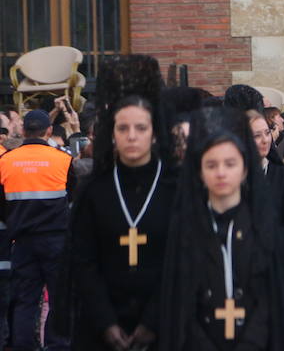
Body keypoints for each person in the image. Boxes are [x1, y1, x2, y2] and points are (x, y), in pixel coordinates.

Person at [159, 107, 284, 350]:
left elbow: (269, 299)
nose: (221, 172)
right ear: (199, 171)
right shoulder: (186, 227)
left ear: (244, 170)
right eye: (211, 165)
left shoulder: (260, 224)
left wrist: (250, 344)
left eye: (230, 164)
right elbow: (180, 302)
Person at [65, 95, 177, 350]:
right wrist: (106, 322)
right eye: (123, 128)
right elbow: (83, 260)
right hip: (102, 322)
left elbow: (183, 259)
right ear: (112, 134)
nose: (132, 136)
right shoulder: (94, 189)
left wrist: (152, 321)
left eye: (141, 128)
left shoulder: (175, 188)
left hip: (164, 320)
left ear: (155, 133)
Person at [0, 109, 76, 350]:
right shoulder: (63, 159)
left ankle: (23, 346)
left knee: (25, 300)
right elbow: (72, 195)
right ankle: (57, 345)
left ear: (23, 131)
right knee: (59, 298)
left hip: (22, 241)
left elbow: (1, 203)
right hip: (57, 240)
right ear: (49, 131)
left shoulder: (6, 161)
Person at [247, 110, 284, 307]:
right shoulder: (236, 178)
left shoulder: (282, 176)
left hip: (278, 266)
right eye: (256, 135)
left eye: (266, 133)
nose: (264, 140)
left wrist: (268, 243)